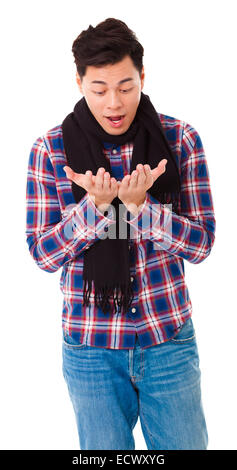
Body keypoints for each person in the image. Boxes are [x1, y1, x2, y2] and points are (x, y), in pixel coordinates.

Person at [25, 18, 216, 450]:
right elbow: (42, 254)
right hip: (90, 346)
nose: (114, 102)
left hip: (167, 337)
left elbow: (202, 244)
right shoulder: (50, 150)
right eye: (99, 89)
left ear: (143, 78)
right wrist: (93, 210)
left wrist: (142, 210)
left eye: (126, 87)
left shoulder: (180, 139)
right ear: (79, 82)